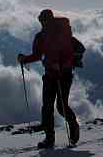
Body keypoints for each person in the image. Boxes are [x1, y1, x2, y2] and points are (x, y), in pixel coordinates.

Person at [18, 9, 79, 149]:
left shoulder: (54, 35)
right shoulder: (46, 36)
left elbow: (66, 53)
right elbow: (39, 55)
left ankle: (66, 129)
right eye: (43, 20)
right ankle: (52, 137)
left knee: (56, 106)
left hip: (59, 74)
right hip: (57, 74)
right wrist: (25, 59)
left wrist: (60, 65)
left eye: (44, 20)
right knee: (51, 107)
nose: (43, 22)